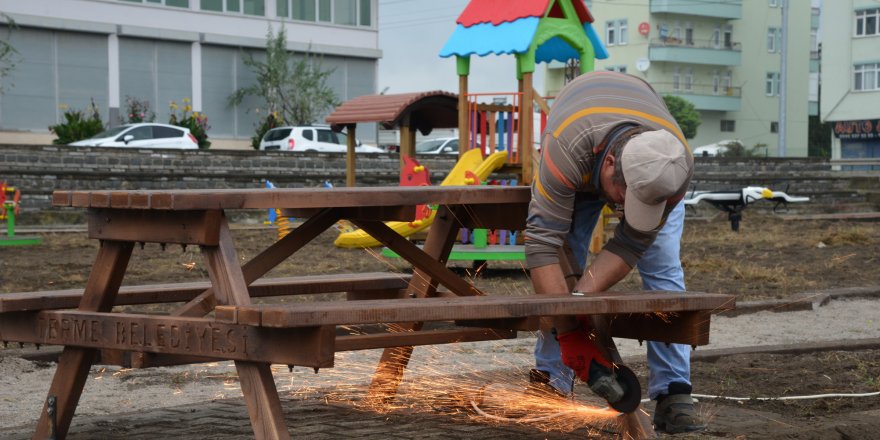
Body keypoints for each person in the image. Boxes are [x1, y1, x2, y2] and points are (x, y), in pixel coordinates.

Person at [524, 71, 703, 434]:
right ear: (608, 166)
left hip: (634, 158)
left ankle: (673, 390)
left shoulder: (673, 168)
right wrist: (570, 329)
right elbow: (543, 246)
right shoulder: (566, 148)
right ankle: (552, 380)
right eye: (625, 197)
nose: (624, 209)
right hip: (581, 141)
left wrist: (581, 302)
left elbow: (631, 243)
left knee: (663, 267)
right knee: (565, 253)